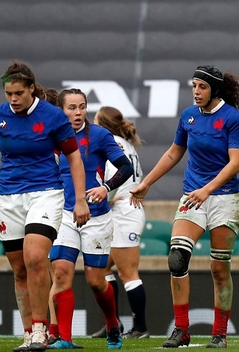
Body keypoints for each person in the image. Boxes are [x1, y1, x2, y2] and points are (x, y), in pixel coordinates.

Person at [130, 65, 239, 349]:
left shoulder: (233, 119)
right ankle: (181, 330)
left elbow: (235, 163)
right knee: (177, 260)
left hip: (223, 198)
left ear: (215, 90)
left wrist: (208, 189)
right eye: (194, 86)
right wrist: (147, 183)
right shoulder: (188, 116)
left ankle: (219, 334)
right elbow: (173, 152)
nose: (196, 92)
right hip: (193, 197)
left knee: (219, 269)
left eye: (202, 87)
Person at [0, 62, 88, 352]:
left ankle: (42, 330)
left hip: (45, 193)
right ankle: (29, 332)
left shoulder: (53, 116)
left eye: (19, 93)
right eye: (8, 94)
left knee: (34, 259)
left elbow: (74, 158)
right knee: (20, 270)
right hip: (8, 197)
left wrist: (79, 199)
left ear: (32, 88)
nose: (13, 99)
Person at [47, 89, 133, 350]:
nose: (77, 113)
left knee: (96, 282)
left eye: (81, 107)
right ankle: (64, 338)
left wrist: (105, 188)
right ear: (61, 110)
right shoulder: (51, 136)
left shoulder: (98, 135)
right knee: (61, 274)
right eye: (71, 108)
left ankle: (112, 324)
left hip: (95, 216)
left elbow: (125, 167)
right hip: (62, 214)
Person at [93, 106, 149, 339]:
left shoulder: (111, 143)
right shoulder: (126, 144)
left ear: (102, 123)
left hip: (124, 212)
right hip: (125, 209)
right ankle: (113, 323)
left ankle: (140, 327)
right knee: (102, 268)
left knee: (128, 272)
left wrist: (105, 196)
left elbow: (112, 175)